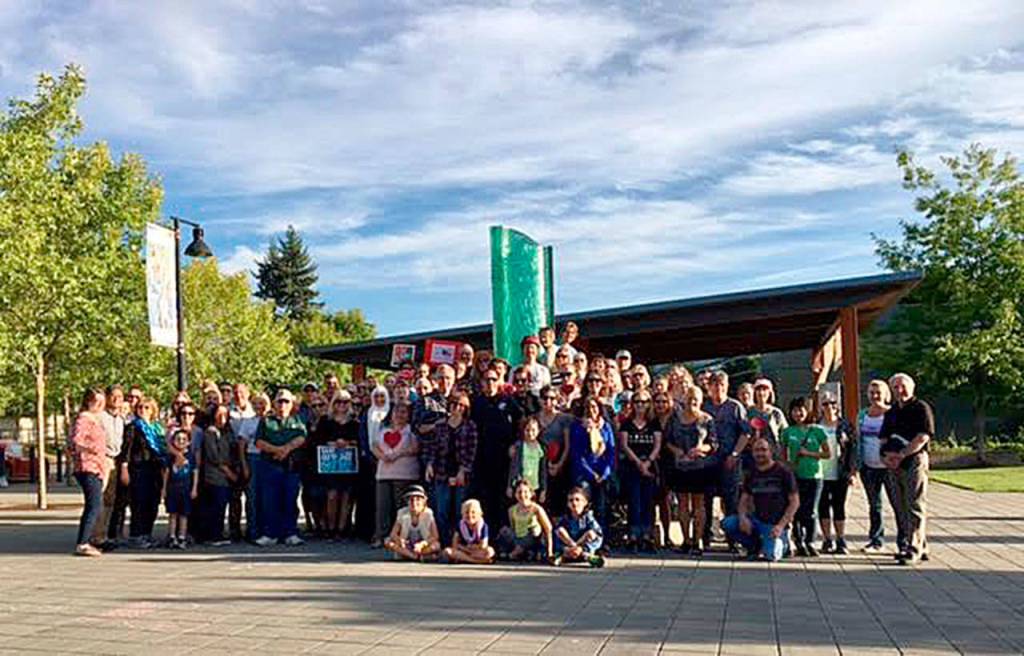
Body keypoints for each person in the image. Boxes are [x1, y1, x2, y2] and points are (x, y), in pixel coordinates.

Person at [879, 373, 935, 566]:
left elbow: (923, 437)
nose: (899, 390)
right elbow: (884, 438)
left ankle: (914, 548)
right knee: (900, 506)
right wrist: (887, 457)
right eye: (895, 387)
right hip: (893, 464)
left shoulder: (921, 408)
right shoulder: (891, 412)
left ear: (912, 388)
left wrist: (902, 454)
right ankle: (919, 544)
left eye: (902, 386)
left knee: (915, 504)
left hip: (914, 461)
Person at [722, 437, 799, 562]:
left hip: (775, 525)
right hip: (756, 521)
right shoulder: (751, 473)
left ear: (771, 452)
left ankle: (784, 543)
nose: (760, 453)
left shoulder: (784, 471)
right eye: (756, 450)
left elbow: (794, 502)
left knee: (771, 556)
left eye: (763, 450)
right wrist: (742, 517)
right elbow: (744, 499)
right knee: (728, 523)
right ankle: (754, 546)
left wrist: (781, 526)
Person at [664, 386, 716, 556]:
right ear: (684, 400)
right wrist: (675, 450)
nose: (692, 402)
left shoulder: (707, 419)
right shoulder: (675, 418)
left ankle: (698, 540)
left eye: (696, 400)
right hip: (680, 467)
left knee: (699, 505)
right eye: (689, 399)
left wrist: (702, 448)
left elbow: (714, 444)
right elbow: (667, 440)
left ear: (700, 401)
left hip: (700, 467)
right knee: (683, 504)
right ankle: (686, 540)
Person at [702, 371, 750, 552]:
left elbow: (746, 433)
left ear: (727, 386)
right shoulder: (704, 406)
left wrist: (735, 454)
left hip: (730, 460)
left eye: (722, 385)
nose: (718, 388)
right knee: (705, 501)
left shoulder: (735, 407)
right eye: (714, 384)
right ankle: (704, 537)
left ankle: (733, 540)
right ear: (709, 387)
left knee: (731, 502)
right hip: (708, 461)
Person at [254, 388, 308, 547]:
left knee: (290, 500)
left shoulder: (297, 420)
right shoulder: (266, 421)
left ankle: (290, 533)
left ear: (292, 404)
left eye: (286, 401)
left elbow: (302, 438)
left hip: (291, 467)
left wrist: (286, 449)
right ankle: (270, 534)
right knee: (270, 501)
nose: (283, 404)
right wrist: (277, 450)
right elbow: (259, 442)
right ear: (274, 403)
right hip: (270, 466)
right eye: (280, 401)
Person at [470, 365, 522, 526]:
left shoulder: (508, 401)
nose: (491, 382)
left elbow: (521, 424)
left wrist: (516, 444)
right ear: (482, 382)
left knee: (503, 498)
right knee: (484, 498)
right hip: (481, 458)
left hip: (504, 458)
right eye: (487, 379)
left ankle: (502, 536)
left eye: (494, 379)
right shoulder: (476, 403)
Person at [424, 391, 477, 546]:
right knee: (441, 511)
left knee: (460, 511)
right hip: (442, 472)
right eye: (454, 404)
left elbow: (471, 451)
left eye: (461, 405)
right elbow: (432, 447)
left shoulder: (470, 426)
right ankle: (442, 542)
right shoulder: (440, 425)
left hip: (461, 474)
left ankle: (459, 542)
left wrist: (463, 470)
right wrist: (429, 464)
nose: (457, 408)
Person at [781, 397, 830, 557]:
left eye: (801, 409)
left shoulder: (817, 431)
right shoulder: (788, 431)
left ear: (808, 411)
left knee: (810, 511)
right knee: (795, 509)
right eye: (795, 410)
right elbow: (783, 454)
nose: (798, 413)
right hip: (795, 476)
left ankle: (810, 541)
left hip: (814, 476)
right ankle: (798, 541)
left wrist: (808, 453)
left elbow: (827, 453)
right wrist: (787, 467)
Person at [857, 379, 902, 553]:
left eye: (878, 392)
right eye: (871, 392)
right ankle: (876, 540)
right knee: (874, 505)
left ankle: (903, 541)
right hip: (868, 467)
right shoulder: (863, 415)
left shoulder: (892, 413)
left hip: (890, 467)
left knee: (898, 504)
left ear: (886, 394)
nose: (875, 396)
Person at [118, 397, 167, 547]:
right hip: (138, 469)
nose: (142, 410)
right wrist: (124, 469)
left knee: (152, 503)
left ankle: (147, 534)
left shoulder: (157, 428)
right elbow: (126, 449)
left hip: (155, 469)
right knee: (139, 503)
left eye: (146, 407)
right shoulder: (133, 427)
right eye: (140, 407)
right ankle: (136, 535)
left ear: (153, 410)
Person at [617, 390, 661, 553]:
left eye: (644, 402)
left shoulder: (654, 423)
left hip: (650, 466)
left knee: (648, 502)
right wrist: (638, 463)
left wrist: (648, 462)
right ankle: (634, 536)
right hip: (632, 466)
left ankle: (648, 536)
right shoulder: (627, 423)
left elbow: (657, 444)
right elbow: (624, 445)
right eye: (637, 402)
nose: (640, 405)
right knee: (634, 502)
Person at [371, 402, 420, 547]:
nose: (399, 415)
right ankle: (381, 536)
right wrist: (382, 455)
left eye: (403, 412)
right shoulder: (383, 430)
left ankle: (401, 537)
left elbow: (416, 448)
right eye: (396, 412)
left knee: (401, 508)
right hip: (383, 473)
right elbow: (374, 446)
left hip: (405, 474)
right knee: (382, 507)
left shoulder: (411, 431)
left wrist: (397, 454)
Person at [314, 391, 361, 539]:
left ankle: (342, 529)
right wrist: (331, 443)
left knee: (346, 496)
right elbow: (317, 440)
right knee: (332, 495)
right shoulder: (325, 420)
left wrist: (348, 443)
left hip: (348, 464)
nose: (342, 405)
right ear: (333, 403)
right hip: (329, 464)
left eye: (345, 402)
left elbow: (359, 441)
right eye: (338, 401)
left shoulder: (355, 422)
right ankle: (330, 527)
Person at [71, 388, 111, 557]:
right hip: (88, 467)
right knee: (94, 505)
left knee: (94, 504)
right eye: (96, 401)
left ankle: (85, 541)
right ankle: (83, 542)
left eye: (102, 402)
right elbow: (76, 441)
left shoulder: (95, 420)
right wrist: (93, 450)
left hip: (98, 466)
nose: (100, 405)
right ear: (88, 401)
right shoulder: (84, 419)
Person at [568, 396, 616, 537]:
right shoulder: (578, 427)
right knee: (582, 507)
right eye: (588, 407)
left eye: (594, 407)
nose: (591, 410)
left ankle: (601, 537)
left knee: (601, 507)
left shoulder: (605, 426)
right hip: (584, 473)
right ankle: (582, 537)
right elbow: (577, 454)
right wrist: (591, 474)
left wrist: (605, 472)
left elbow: (611, 451)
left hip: (602, 473)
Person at [817, 392, 857, 555]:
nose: (829, 407)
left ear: (838, 406)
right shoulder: (816, 426)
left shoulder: (845, 426)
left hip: (840, 472)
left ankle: (841, 538)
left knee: (839, 506)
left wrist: (853, 472)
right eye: (825, 403)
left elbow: (853, 450)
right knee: (823, 506)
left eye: (832, 403)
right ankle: (827, 539)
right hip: (820, 472)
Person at [199, 405, 241, 545]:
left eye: (225, 414)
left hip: (228, 475)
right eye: (219, 414)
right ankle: (212, 536)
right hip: (215, 474)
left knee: (222, 505)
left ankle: (218, 533)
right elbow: (213, 455)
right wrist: (228, 472)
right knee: (216, 505)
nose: (222, 418)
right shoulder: (210, 432)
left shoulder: (228, 432)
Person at [94, 384, 125, 549]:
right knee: (99, 497)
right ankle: (97, 536)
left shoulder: (121, 419)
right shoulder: (100, 417)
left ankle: (104, 533)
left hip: (116, 459)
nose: (116, 400)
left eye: (120, 397)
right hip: (103, 458)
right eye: (113, 396)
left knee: (110, 500)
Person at [235, 391, 268, 543]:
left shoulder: (271, 421)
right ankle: (252, 531)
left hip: (268, 459)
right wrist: (244, 465)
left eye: (262, 403)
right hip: (253, 458)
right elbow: (242, 444)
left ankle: (266, 530)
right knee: (252, 497)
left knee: (266, 497)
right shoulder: (248, 422)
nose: (259, 406)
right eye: (256, 404)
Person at [358, 386, 390, 545]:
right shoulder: (367, 413)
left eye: (382, 396)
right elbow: (363, 435)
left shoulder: (390, 413)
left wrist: (385, 455)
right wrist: (368, 453)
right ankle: (369, 531)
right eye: (376, 396)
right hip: (369, 460)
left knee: (385, 499)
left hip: (389, 460)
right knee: (370, 498)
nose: (379, 400)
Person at [537, 385, 574, 516]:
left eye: (552, 398)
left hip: (560, 462)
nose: (548, 401)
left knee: (559, 501)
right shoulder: (533, 419)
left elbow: (568, 445)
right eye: (545, 398)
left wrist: (559, 465)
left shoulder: (565, 419)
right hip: (539, 464)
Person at [499, 478, 554, 562]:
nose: (522, 495)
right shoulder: (511, 510)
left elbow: (548, 529)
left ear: (531, 494)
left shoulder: (536, 509)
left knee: (534, 531)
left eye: (525, 492)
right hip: (517, 538)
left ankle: (518, 553)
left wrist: (550, 551)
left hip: (532, 539)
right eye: (519, 492)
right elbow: (513, 527)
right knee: (504, 531)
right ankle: (517, 552)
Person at [384, 484, 441, 561]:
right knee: (388, 542)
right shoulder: (402, 513)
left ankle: (417, 555)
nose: (414, 503)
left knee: (437, 545)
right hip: (406, 546)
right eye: (411, 500)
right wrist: (399, 540)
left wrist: (422, 544)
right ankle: (414, 557)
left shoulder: (428, 514)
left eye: (418, 499)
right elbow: (393, 534)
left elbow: (435, 536)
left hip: (422, 546)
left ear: (424, 501)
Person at [163, 429, 198, 549]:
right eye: (178, 439)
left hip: (186, 488)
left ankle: (182, 537)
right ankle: (172, 537)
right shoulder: (170, 457)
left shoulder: (191, 456)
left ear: (188, 442)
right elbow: (167, 472)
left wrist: (194, 488)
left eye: (184, 439)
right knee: (172, 514)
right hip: (173, 488)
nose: (181, 441)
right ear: (173, 442)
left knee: (184, 514)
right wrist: (164, 489)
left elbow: (195, 472)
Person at [553, 486, 605, 568]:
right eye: (571, 500)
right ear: (567, 504)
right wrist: (571, 546)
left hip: (583, 547)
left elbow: (598, 534)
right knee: (560, 530)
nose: (574, 503)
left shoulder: (588, 517)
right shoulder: (566, 518)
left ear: (585, 502)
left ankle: (587, 555)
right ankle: (563, 555)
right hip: (569, 547)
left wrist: (581, 547)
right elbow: (557, 533)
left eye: (577, 500)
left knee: (591, 533)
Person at [444, 498, 495, 564]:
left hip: (477, 552)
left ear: (480, 514)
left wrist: (470, 549)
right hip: (464, 551)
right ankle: (476, 561)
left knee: (489, 551)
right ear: (462, 514)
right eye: (467, 512)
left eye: (473, 512)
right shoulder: (460, 525)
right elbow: (455, 544)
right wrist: (466, 549)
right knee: (447, 551)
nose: (470, 515)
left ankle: (465, 559)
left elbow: (483, 545)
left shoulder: (483, 526)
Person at [746, 378, 787, 457]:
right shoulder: (748, 412)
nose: (761, 393)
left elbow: (784, 435)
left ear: (770, 393)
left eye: (764, 389)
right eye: (758, 389)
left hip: (774, 455)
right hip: (753, 455)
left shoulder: (776, 413)